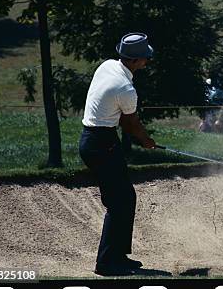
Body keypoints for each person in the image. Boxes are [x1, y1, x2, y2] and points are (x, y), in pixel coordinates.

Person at [79, 32, 157, 276]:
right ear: (134, 60)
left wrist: (141, 138)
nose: (146, 61)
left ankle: (119, 256)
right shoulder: (126, 88)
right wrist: (146, 141)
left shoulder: (107, 65)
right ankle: (106, 263)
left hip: (94, 140)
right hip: (102, 144)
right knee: (118, 203)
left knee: (126, 198)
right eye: (144, 58)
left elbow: (123, 121)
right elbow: (131, 124)